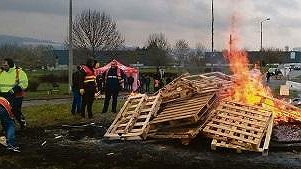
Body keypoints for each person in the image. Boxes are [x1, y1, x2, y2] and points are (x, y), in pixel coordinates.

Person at [0, 58, 28, 130]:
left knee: (15, 110)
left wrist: (15, 89)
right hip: (3, 96)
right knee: (4, 112)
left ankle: (22, 123)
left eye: (5, 65)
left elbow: (24, 83)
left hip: (16, 95)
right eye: (3, 64)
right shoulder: (1, 72)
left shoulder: (19, 72)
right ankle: (6, 127)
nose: (3, 66)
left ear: (10, 65)